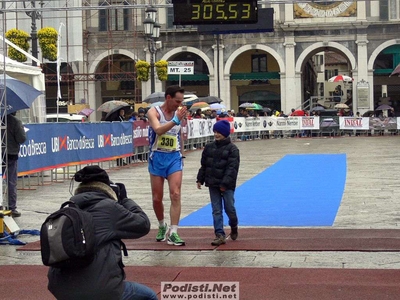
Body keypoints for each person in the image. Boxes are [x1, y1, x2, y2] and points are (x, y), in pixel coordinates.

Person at [47, 165, 157, 300]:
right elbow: (143, 224)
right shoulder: (109, 207)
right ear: (107, 188)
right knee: (149, 296)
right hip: (99, 290)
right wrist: (125, 200)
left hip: (61, 288)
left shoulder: (68, 209)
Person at [147, 85, 187, 246]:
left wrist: (182, 154)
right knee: (157, 198)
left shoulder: (179, 113)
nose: (179, 104)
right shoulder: (154, 112)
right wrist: (175, 120)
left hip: (174, 158)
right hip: (157, 157)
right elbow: (158, 130)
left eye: (181, 101)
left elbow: (179, 135)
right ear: (168, 98)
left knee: (175, 194)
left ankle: (174, 231)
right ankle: (162, 225)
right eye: (177, 101)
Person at [196, 120, 240, 246]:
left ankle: (234, 225)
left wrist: (224, 185)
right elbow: (204, 165)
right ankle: (219, 234)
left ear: (225, 133)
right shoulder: (209, 147)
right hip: (213, 184)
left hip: (227, 185)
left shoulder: (233, 149)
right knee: (216, 210)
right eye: (215, 132)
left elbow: (232, 169)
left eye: (219, 132)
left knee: (229, 208)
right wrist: (200, 178)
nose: (216, 134)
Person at [4, 112, 26, 217]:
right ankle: (11, 208)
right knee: (11, 182)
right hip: (11, 154)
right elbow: (21, 139)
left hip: (1, 153)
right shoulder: (15, 121)